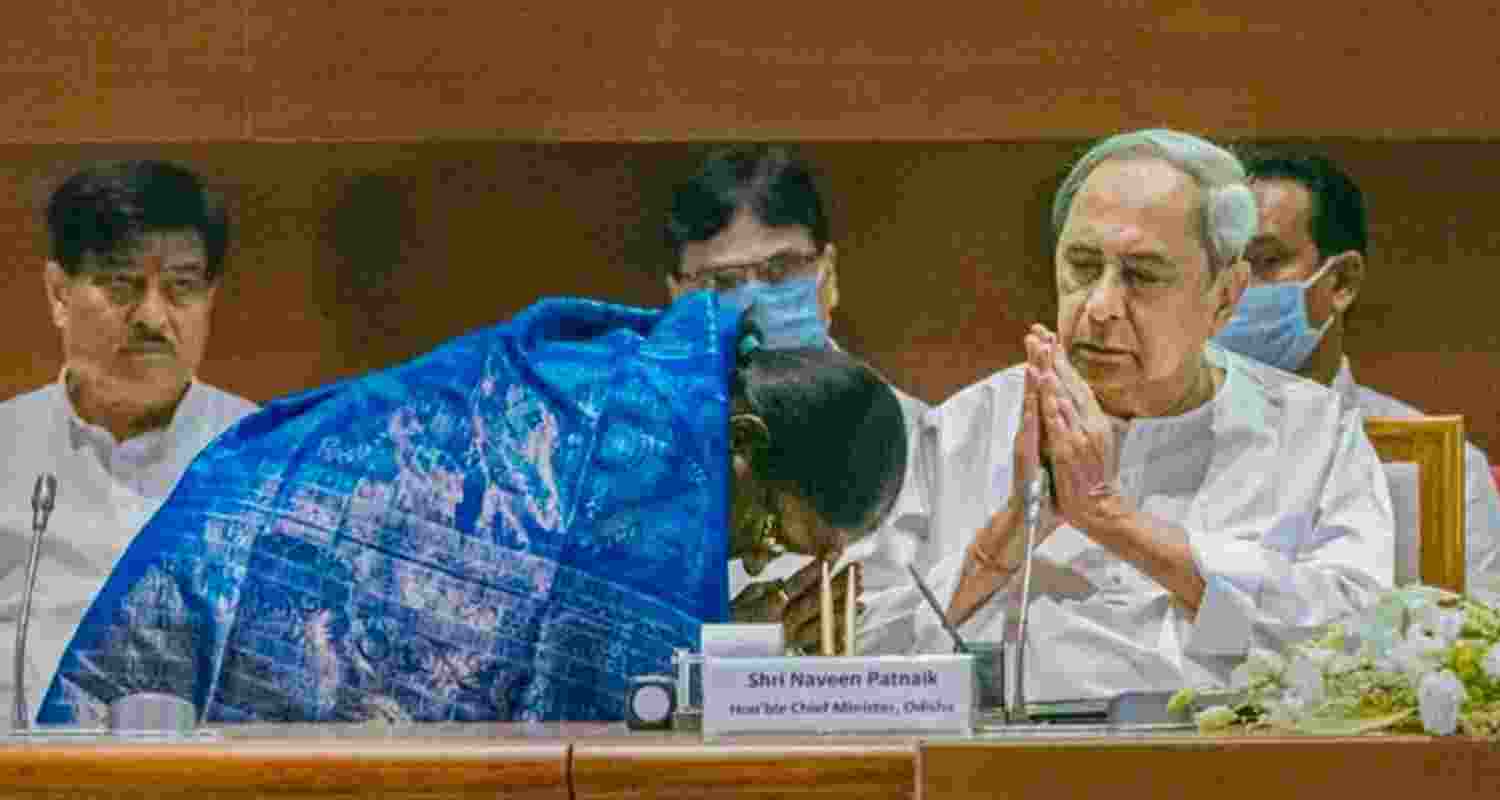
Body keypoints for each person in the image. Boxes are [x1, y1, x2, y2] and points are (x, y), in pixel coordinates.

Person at [36, 292, 907, 724]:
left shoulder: (665, 388)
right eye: (767, 532)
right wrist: (724, 652)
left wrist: (723, 641)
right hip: (251, 559)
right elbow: (582, 676)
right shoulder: (647, 439)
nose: (755, 560)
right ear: (743, 441)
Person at [907, 130, 1394, 704]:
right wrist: (1012, 532)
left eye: (1141, 275)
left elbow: (1356, 647)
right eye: (1083, 267)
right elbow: (871, 654)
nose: (1100, 307)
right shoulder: (965, 426)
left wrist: (1116, 523)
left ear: (1226, 296)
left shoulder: (1314, 434)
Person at [0, 160, 258, 727]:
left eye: (181, 287)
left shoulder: (259, 458)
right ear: (59, 293)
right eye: (122, 284)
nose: (152, 315)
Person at [661, 145, 929, 653]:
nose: (754, 299)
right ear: (677, 296)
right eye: (722, 282)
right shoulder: (639, 447)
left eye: (781, 270)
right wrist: (727, 646)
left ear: (828, 275)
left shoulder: (920, 439)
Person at [1213, 152, 1500, 599]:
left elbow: (1477, 652)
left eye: (1266, 262)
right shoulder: (1159, 443)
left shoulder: (1441, 470)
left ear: (1342, 281)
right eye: (1222, 267)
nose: (1235, 289)